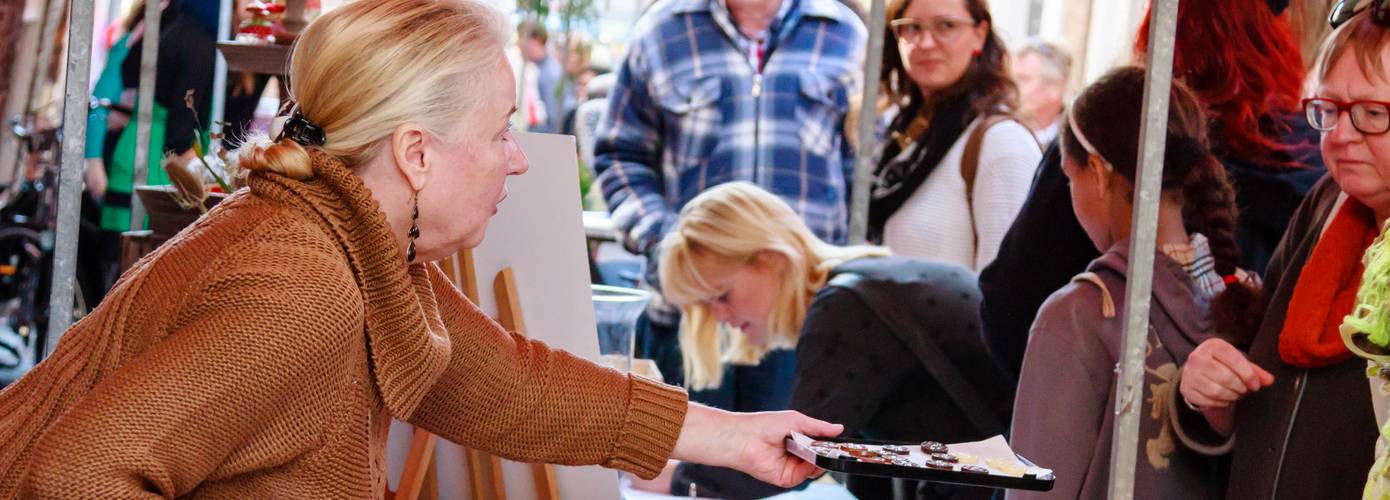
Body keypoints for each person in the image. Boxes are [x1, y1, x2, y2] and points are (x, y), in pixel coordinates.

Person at [0, 0, 842, 495]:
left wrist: (728, 435)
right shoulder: (301, 284)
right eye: (502, 130)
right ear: (415, 153)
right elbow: (75, 480)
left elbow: (502, 381)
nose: (518, 156)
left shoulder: (343, 238)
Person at [979, 0, 1324, 382]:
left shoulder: (1103, 139)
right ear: (1278, 38)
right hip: (1249, 419)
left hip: (1095, 411)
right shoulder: (1319, 164)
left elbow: (1008, 309)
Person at [637, 181, 1010, 499]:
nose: (719, 316)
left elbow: (794, 458)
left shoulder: (845, 310)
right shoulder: (864, 285)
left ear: (771, 260)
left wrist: (671, 476)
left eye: (721, 295)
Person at [593, 0, 866, 417]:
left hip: (795, 320)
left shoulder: (844, 34)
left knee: (786, 465)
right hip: (691, 312)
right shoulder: (662, 31)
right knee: (680, 466)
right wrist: (666, 243)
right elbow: (618, 154)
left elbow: (864, 170)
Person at [1009, 66, 1263, 500]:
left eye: (1070, 179)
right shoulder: (1245, 292)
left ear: (1097, 173)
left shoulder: (1078, 315)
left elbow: (1035, 491)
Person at [1172, 5, 1390, 498]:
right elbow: (1263, 381)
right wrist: (1211, 382)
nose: (1340, 135)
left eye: (1373, 114)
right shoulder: (1325, 206)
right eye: (1329, 109)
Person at [869, 0, 1040, 270]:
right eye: (912, 28)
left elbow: (1007, 292)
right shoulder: (903, 132)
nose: (925, 43)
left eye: (946, 26)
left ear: (980, 34)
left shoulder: (1001, 142)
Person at [1011, 38, 1071, 145]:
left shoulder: (1073, 143)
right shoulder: (997, 130)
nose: (1012, 87)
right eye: (1012, 79)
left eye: (1023, 79)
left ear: (1055, 88)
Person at [517, 19, 565, 133]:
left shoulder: (549, 74)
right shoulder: (540, 69)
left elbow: (554, 125)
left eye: (521, 39)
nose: (518, 44)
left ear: (535, 41)